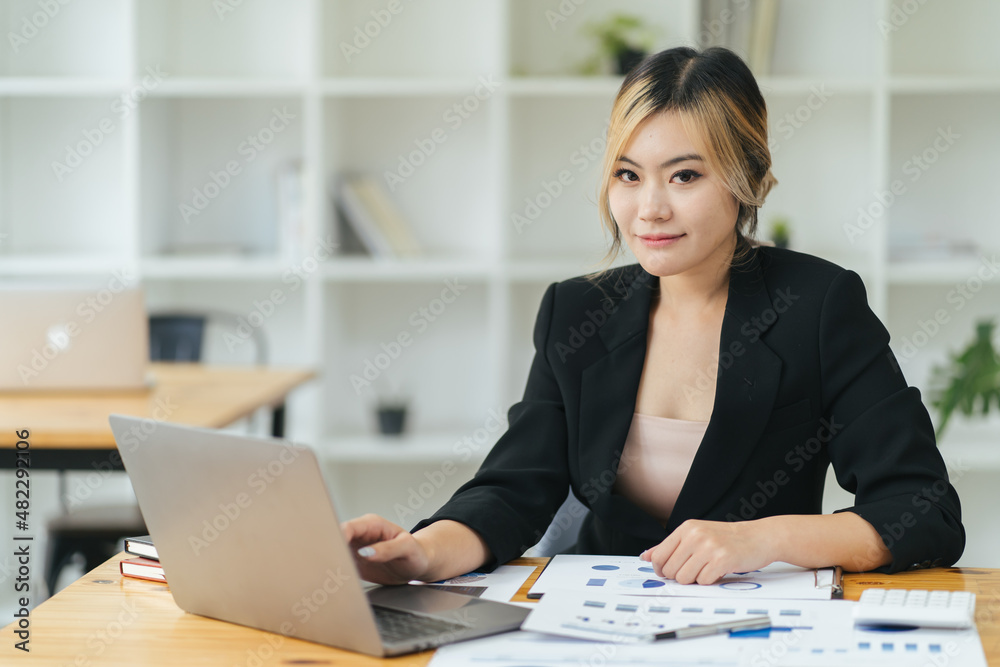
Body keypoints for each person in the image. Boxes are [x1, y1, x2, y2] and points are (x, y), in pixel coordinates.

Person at [342, 46, 964, 586]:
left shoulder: (819, 307)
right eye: (628, 175)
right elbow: (513, 489)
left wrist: (763, 539)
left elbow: (923, 508)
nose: (649, 209)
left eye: (684, 175)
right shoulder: (577, 311)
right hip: (594, 618)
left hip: (756, 619)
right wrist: (420, 553)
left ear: (748, 179)